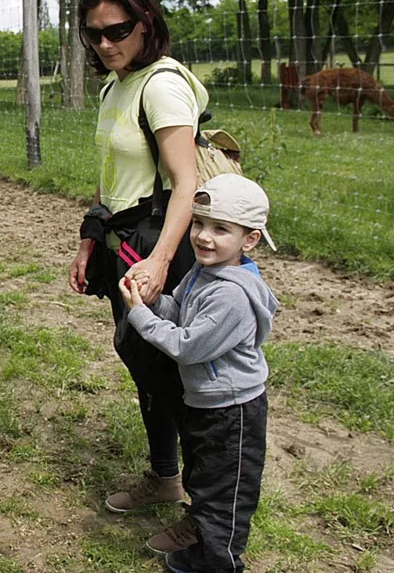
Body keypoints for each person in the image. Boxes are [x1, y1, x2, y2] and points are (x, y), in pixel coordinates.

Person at [67, 0, 207, 549]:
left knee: (177, 376)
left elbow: (186, 182)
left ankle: (208, 513)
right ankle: (165, 478)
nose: (105, 43)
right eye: (93, 34)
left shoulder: (162, 86)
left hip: (156, 247)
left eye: (117, 30)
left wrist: (159, 262)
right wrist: (85, 241)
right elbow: (109, 181)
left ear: (145, 22)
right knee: (143, 363)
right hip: (120, 242)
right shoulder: (116, 84)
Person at [119, 173, 279, 573]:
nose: (204, 237)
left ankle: (218, 563)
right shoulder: (204, 273)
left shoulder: (232, 295)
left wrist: (138, 314)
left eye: (220, 229)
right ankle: (201, 548)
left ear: (250, 239)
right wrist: (152, 300)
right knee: (205, 481)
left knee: (225, 498)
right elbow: (179, 309)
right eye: (199, 223)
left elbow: (187, 347)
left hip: (233, 412)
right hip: (207, 404)